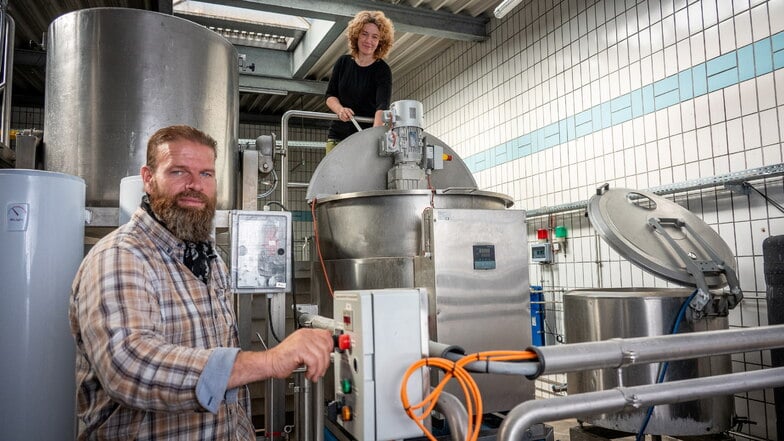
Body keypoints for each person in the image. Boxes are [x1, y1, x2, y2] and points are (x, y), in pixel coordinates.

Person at [69, 125, 334, 440]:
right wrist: (270, 360)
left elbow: (226, 399)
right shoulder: (121, 256)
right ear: (148, 178)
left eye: (207, 174)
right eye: (179, 171)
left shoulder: (208, 258)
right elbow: (129, 367)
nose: (195, 185)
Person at [325, 10, 395, 153]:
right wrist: (340, 109)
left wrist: (373, 139)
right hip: (337, 137)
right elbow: (330, 96)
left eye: (374, 37)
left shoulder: (382, 70)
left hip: (363, 139)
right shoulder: (343, 62)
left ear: (380, 42)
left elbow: (382, 107)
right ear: (356, 35)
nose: (368, 41)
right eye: (364, 34)